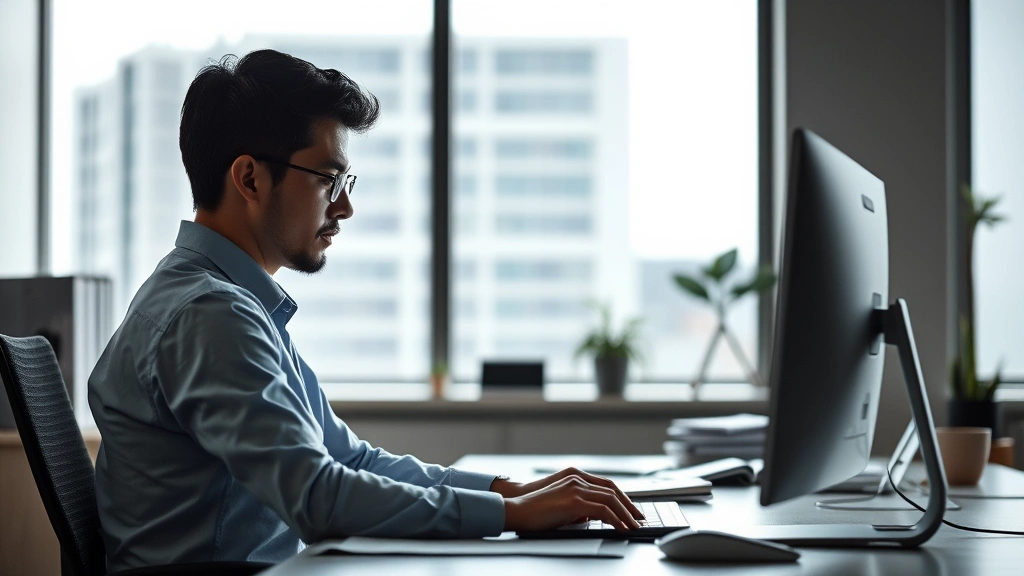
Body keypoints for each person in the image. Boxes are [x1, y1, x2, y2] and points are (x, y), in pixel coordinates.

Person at [88, 49, 643, 572]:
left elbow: (349, 461)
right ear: (250, 178)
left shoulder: (228, 303)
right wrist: (510, 517)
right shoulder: (209, 315)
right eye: (330, 180)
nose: (346, 207)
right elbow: (318, 498)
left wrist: (508, 492)